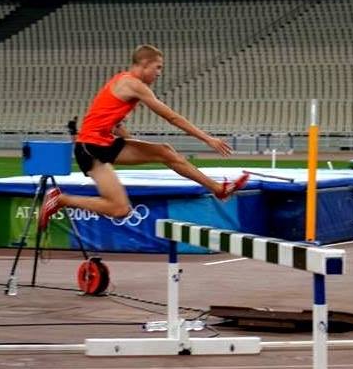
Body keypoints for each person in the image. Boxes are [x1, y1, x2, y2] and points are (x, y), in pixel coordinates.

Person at [38, 44, 249, 230]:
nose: (159, 73)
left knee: (157, 161)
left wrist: (134, 143)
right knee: (126, 201)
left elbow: (115, 125)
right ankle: (61, 200)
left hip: (101, 144)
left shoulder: (123, 82)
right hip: (91, 147)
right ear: (145, 64)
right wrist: (208, 139)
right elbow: (171, 117)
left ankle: (219, 189)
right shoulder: (133, 84)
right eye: (158, 67)